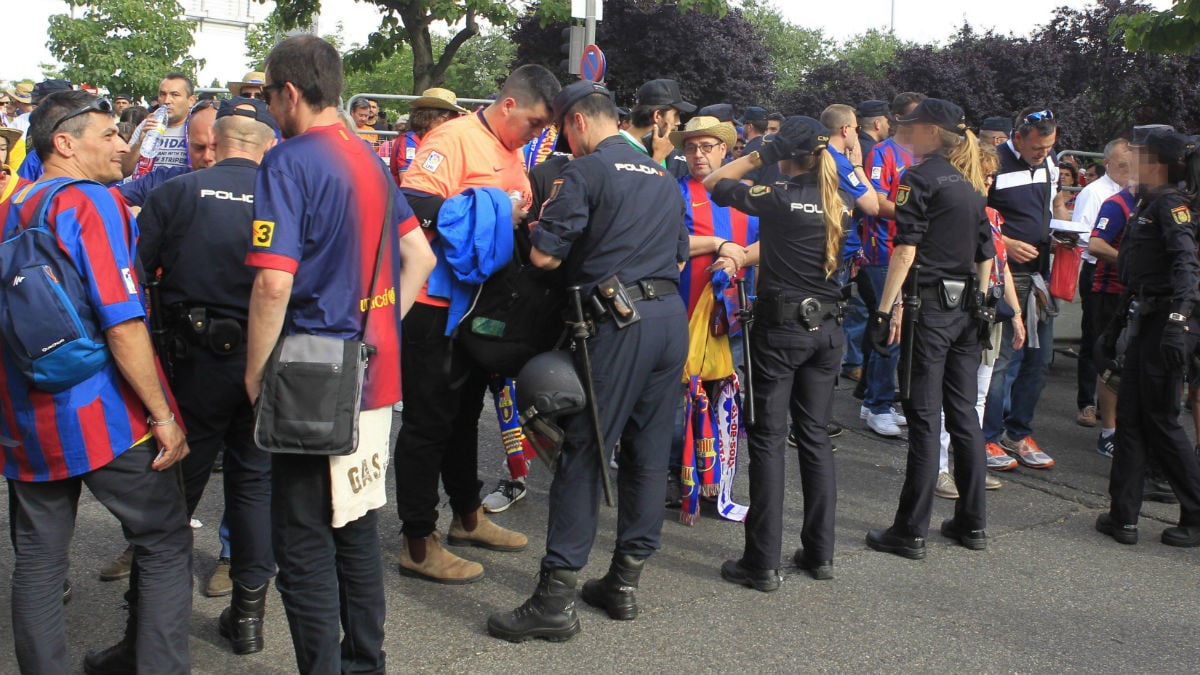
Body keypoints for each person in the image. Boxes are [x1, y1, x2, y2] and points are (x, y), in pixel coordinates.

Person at [245, 34, 436, 673]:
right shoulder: (370, 156)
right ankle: (366, 661)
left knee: (301, 543)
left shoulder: (289, 160)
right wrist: (379, 323)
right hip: (372, 373)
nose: (269, 107)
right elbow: (421, 258)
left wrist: (254, 375)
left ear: (290, 92)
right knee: (355, 527)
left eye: (269, 94)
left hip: (308, 378)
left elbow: (274, 281)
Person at [486, 79, 689, 643]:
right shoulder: (662, 176)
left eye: (561, 132)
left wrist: (530, 223)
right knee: (648, 455)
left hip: (617, 323)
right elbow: (676, 251)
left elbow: (546, 254)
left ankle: (554, 601)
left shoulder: (587, 170)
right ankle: (623, 583)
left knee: (584, 451)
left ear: (577, 123)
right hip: (670, 320)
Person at [2, 90, 192, 675]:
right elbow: (123, 321)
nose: (121, 143)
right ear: (65, 142)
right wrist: (162, 414)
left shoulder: (14, 205)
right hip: (99, 410)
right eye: (109, 134)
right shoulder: (91, 205)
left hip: (26, 413)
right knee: (163, 541)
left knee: (38, 561)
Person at [395, 64, 560, 584]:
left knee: (464, 417)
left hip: (476, 310)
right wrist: (490, 207)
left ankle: (467, 516)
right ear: (508, 104)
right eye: (533, 123)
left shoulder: (512, 151)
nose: (536, 135)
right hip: (434, 306)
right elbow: (412, 203)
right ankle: (418, 542)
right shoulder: (454, 136)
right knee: (426, 426)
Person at [136, 96, 279, 656]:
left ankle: (147, 624)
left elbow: (135, 278)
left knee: (176, 487)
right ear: (269, 148)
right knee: (254, 485)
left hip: (192, 362)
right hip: (265, 362)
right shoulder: (283, 196)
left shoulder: (175, 192)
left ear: (215, 143)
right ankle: (248, 618)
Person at [701, 115, 847, 589]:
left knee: (767, 439)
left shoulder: (778, 196)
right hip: (826, 327)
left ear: (786, 154)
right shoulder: (839, 200)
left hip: (781, 329)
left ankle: (761, 562)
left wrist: (760, 153)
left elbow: (714, 182)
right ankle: (819, 554)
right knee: (815, 439)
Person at [864, 98, 996, 560]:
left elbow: (905, 248)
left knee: (923, 417)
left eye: (912, 126)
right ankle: (972, 522)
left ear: (933, 132)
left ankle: (910, 529)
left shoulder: (919, 178)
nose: (904, 131)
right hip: (963, 310)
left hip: (931, 309)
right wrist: (979, 303)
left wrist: (884, 310)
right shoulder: (969, 186)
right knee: (963, 414)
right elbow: (986, 253)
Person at [1098, 128, 1200, 548]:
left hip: (1167, 323)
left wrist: (1178, 322)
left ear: (1154, 161)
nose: (1129, 157)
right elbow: (1143, 275)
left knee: (1160, 420)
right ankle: (1123, 515)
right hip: (1148, 317)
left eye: (1136, 152)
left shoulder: (1171, 205)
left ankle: (1196, 515)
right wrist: (1119, 321)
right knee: (1133, 419)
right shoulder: (1149, 202)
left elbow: (1186, 269)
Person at [668, 115, 759, 508]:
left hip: (734, 318)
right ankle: (679, 474)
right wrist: (718, 243)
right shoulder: (673, 192)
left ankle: (717, 476)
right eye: (691, 147)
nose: (699, 155)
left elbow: (769, 243)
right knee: (679, 401)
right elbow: (666, 241)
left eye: (707, 147)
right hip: (683, 315)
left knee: (725, 397)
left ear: (725, 150)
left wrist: (735, 260)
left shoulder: (749, 195)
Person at [935, 147, 1025, 499]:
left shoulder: (994, 216)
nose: (989, 182)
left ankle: (968, 465)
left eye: (990, 176)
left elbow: (1003, 268)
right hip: (958, 311)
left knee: (979, 396)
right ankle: (939, 468)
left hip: (989, 313)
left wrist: (1015, 313)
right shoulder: (955, 215)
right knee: (949, 396)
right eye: (983, 175)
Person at [982, 107, 1062, 471]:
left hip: (1040, 272)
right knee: (1001, 361)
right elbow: (977, 214)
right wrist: (1008, 242)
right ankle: (986, 437)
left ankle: (1019, 432)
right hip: (1007, 274)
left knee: (1039, 358)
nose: (1042, 153)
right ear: (1016, 137)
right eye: (1037, 148)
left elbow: (1045, 206)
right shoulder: (994, 163)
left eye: (1048, 147)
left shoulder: (1049, 164)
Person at [858, 99, 915, 437]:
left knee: (896, 329)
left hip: (912, 252)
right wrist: (918, 214)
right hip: (884, 253)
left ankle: (873, 399)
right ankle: (878, 405)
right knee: (889, 328)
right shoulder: (882, 152)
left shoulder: (924, 154)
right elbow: (877, 202)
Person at [1071, 139, 1133, 433]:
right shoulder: (1096, 193)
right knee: (1094, 340)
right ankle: (1087, 402)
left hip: (1124, 279)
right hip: (1098, 273)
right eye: (1122, 164)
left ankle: (1115, 407)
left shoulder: (1135, 196)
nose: (1128, 169)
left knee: (1118, 345)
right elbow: (1085, 237)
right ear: (1107, 163)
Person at [122, 73, 197, 177]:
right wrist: (139, 143)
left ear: (191, 101)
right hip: (145, 190)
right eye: (162, 94)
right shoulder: (147, 124)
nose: (167, 101)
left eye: (175, 95)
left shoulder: (198, 127)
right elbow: (124, 170)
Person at [389, 87, 467, 186]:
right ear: (428, 116)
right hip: (414, 198)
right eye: (447, 117)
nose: (450, 122)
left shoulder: (439, 141)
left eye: (454, 117)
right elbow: (409, 181)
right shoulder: (409, 141)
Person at [626, 79, 694, 179]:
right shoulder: (618, 148)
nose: (678, 122)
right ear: (657, 115)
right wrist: (658, 158)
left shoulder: (656, 147)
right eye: (675, 115)